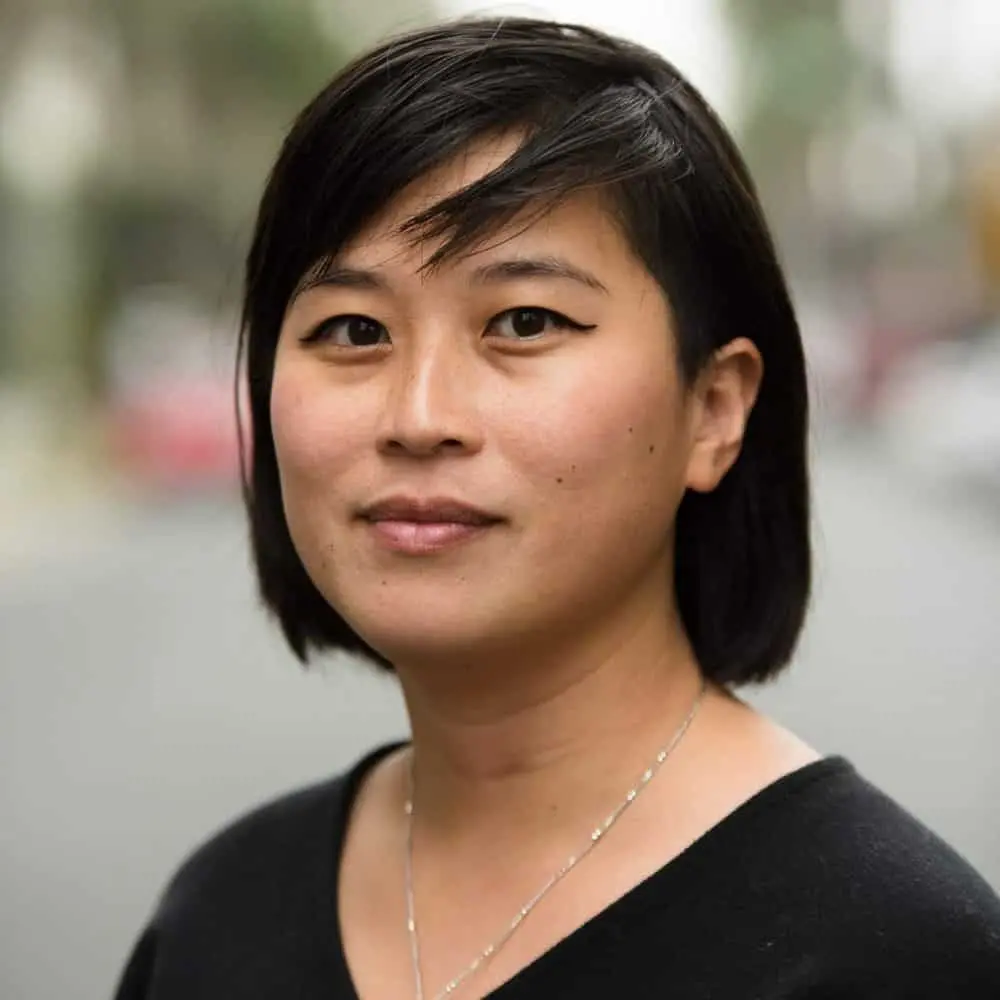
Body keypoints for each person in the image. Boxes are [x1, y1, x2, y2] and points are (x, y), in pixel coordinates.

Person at [113, 17, 1000, 1000]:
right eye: (353, 329)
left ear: (714, 407)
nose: (418, 417)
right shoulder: (216, 915)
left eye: (524, 322)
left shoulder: (899, 954)